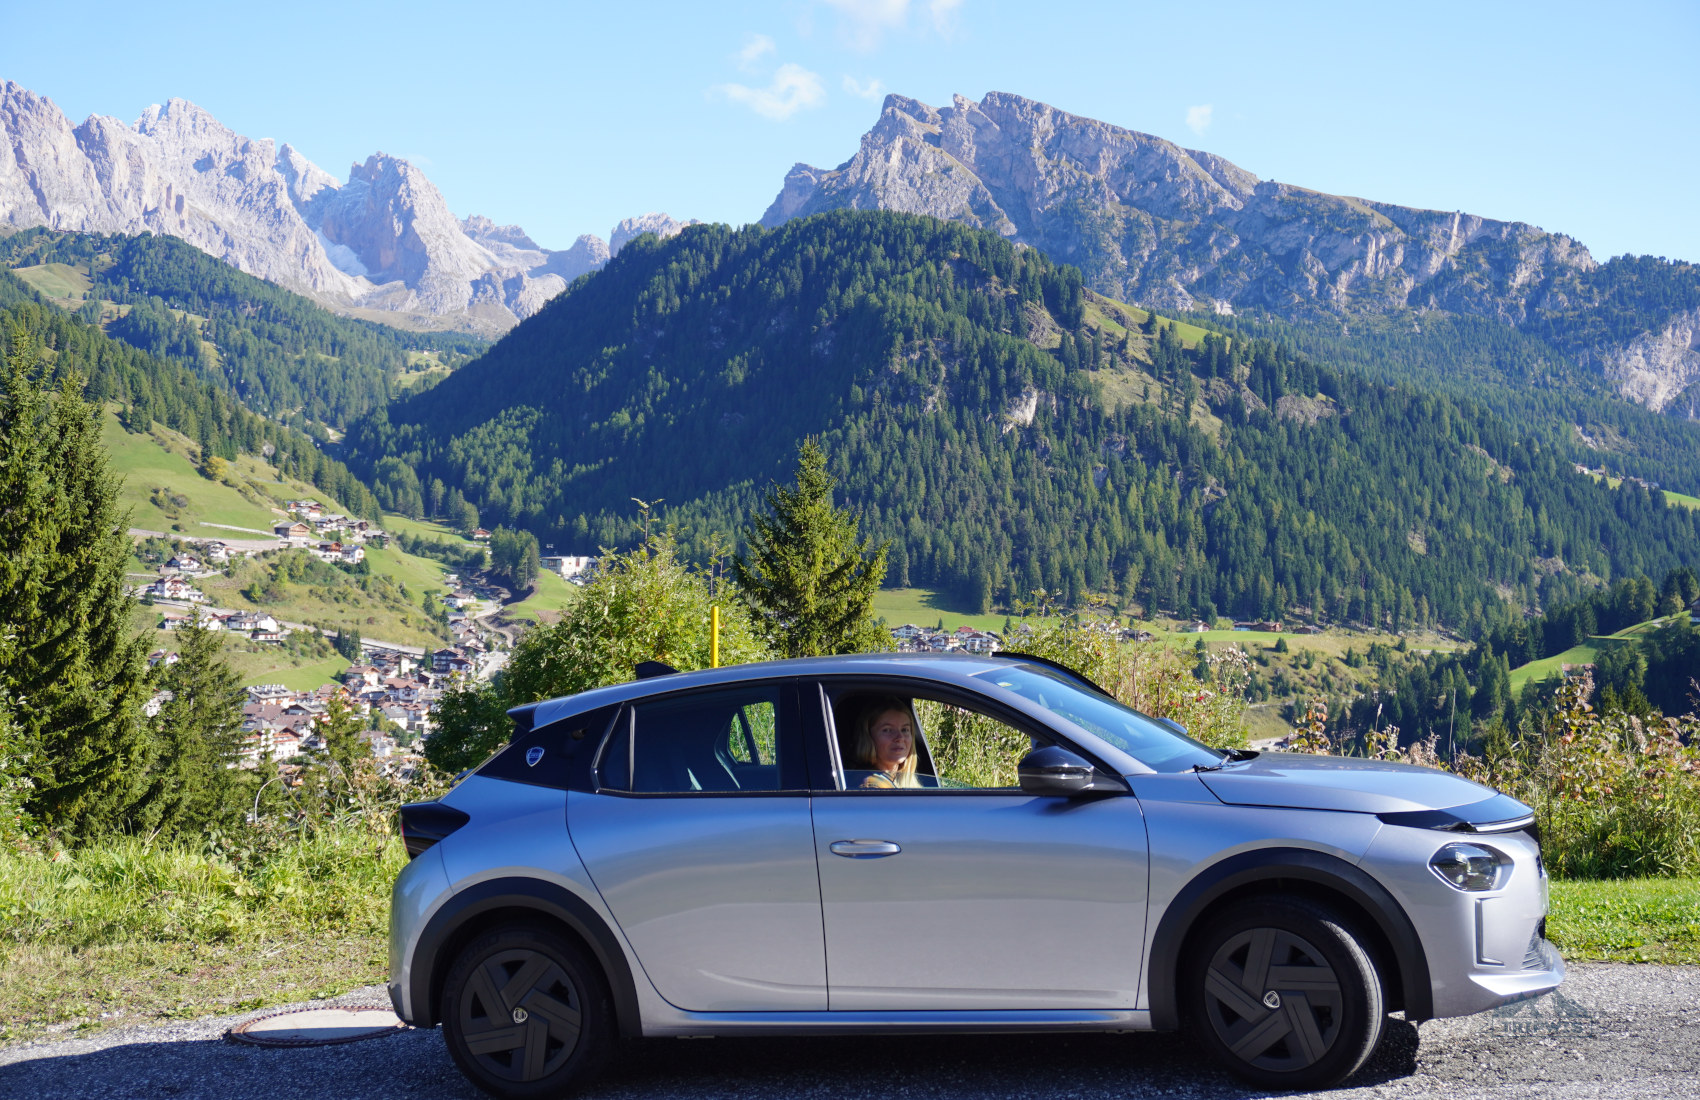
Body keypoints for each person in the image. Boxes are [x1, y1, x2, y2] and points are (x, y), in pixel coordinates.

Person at [851, 698, 922, 788]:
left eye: (904, 730)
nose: (900, 737)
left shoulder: (898, 780)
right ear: (868, 737)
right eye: (887, 730)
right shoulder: (871, 786)